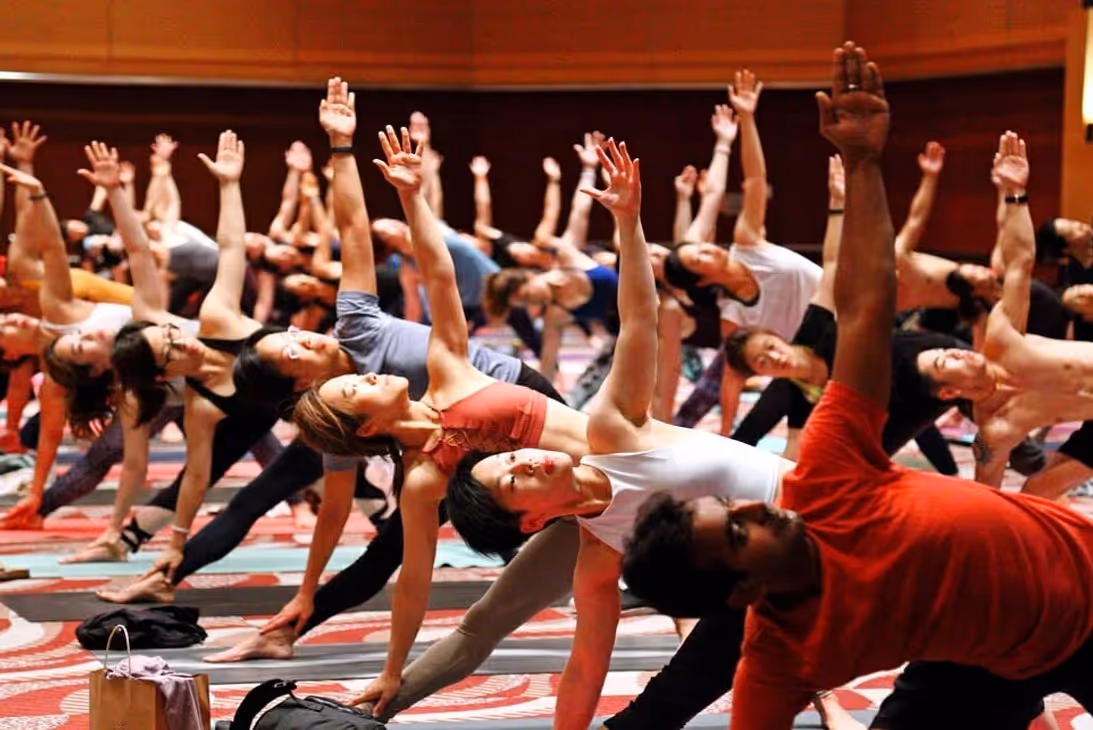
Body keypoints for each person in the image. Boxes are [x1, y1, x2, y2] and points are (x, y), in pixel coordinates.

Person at [624, 45, 1093, 729]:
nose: (757, 509)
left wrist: (866, 163)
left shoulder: (825, 473)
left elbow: (870, 304)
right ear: (742, 591)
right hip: (988, 658)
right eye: (736, 531)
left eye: (734, 508)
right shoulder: (781, 653)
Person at [441, 139, 861, 730]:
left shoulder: (612, 429)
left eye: (513, 459)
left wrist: (630, 223)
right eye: (513, 480)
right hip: (780, 567)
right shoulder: (599, 554)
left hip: (834, 512)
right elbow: (587, 663)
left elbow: (639, 319)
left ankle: (827, 699)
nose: (526, 462)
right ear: (531, 522)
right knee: (688, 677)